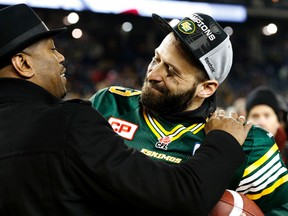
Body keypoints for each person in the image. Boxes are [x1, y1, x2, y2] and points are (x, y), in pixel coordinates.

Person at [0, 3, 252, 216]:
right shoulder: (75, 119)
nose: (61, 57)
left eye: (171, 70)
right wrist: (224, 141)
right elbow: (180, 194)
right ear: (22, 63)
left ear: (207, 88)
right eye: (52, 49)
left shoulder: (258, 145)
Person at [90, 12, 288, 215]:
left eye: (171, 72)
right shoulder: (109, 104)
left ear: (207, 88)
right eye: (156, 58)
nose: (153, 74)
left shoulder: (247, 142)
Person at [245, 85, 287, 156]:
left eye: (267, 115)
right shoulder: (235, 157)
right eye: (255, 116)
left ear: (278, 122)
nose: (261, 122)